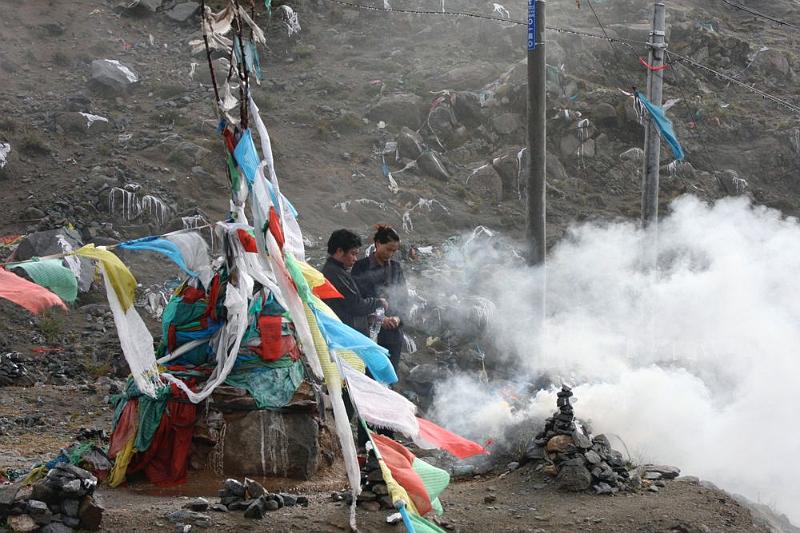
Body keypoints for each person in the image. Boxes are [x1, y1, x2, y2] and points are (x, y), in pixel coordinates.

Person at [352, 224, 408, 369]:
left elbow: (404, 300)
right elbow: (355, 301)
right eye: (388, 249)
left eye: (394, 251)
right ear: (377, 244)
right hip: (368, 332)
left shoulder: (396, 268)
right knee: (369, 374)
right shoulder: (360, 267)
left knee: (389, 374)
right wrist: (379, 319)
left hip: (393, 334)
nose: (390, 254)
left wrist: (397, 318)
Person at [321, 228, 386, 336]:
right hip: (346, 336)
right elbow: (356, 305)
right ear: (339, 251)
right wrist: (378, 302)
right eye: (353, 254)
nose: (355, 259)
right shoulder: (334, 274)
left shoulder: (337, 271)